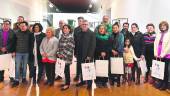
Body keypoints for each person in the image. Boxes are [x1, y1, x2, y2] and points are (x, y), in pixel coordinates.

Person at [75, 20, 96, 89]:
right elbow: (76, 44)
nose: (84, 25)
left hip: (88, 55)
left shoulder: (92, 33)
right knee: (81, 69)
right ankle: (83, 81)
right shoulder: (78, 33)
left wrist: (89, 56)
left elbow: (92, 46)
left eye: (86, 24)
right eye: (83, 24)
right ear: (81, 25)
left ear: (88, 25)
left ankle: (89, 84)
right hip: (79, 54)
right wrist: (75, 53)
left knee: (88, 69)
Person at [12, 21, 33, 87]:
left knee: (24, 66)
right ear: (19, 26)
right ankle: (17, 79)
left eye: (23, 26)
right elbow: (14, 43)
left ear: (26, 26)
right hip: (18, 52)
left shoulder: (30, 33)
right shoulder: (16, 33)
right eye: (21, 26)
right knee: (17, 66)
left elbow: (31, 44)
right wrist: (13, 51)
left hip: (26, 53)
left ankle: (24, 78)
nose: (22, 27)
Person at [57, 24, 75, 90]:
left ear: (69, 30)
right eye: (64, 28)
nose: (65, 29)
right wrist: (58, 53)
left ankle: (67, 84)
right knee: (63, 70)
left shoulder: (71, 38)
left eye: (66, 28)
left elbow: (70, 48)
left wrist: (62, 55)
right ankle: (66, 82)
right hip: (60, 56)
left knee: (67, 71)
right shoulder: (61, 37)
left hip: (67, 57)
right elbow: (58, 46)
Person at [154, 21, 170, 90]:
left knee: (165, 70)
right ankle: (160, 82)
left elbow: (169, 46)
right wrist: (155, 53)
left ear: (167, 26)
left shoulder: (169, 34)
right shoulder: (158, 34)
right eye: (161, 26)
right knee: (160, 70)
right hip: (158, 54)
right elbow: (155, 44)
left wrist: (163, 54)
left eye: (164, 25)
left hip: (166, 55)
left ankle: (165, 84)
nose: (162, 27)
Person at [109, 22, 124, 87]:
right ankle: (112, 80)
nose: (115, 29)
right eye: (113, 28)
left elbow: (121, 44)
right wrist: (112, 50)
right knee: (112, 66)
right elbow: (108, 44)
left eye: (116, 28)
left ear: (118, 28)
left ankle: (118, 80)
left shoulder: (121, 35)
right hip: (111, 53)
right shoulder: (110, 35)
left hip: (119, 54)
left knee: (118, 67)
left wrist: (117, 51)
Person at [73, 16, 84, 81]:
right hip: (78, 49)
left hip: (85, 50)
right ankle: (77, 76)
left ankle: (83, 76)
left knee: (84, 64)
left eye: (81, 21)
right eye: (79, 21)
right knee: (78, 64)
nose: (80, 22)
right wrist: (75, 52)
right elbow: (75, 41)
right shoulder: (76, 29)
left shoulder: (85, 28)